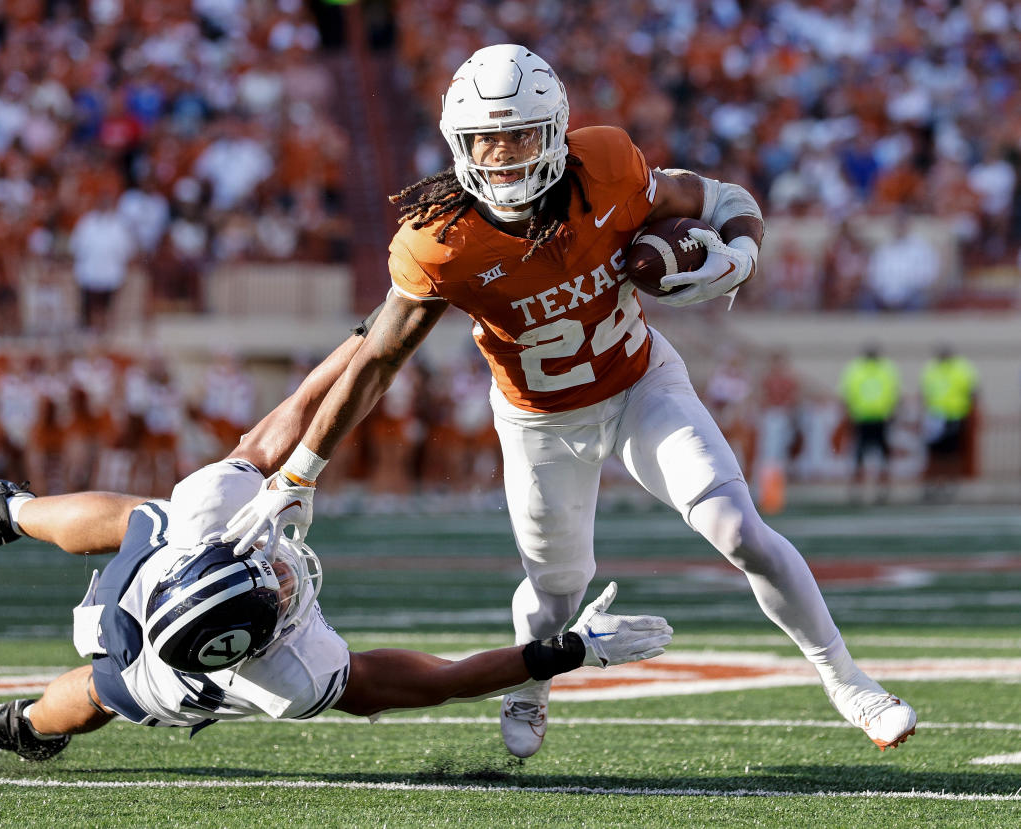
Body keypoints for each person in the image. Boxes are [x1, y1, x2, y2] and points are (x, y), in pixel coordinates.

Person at [223, 44, 917, 756]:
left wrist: (741, 253)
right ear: (457, 144)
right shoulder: (441, 240)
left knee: (739, 530)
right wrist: (302, 470)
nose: (503, 156)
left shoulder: (607, 164)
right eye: (484, 140)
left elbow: (724, 200)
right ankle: (532, 681)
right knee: (556, 592)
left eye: (520, 134)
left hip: (642, 382)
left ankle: (848, 679)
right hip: (539, 421)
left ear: (554, 130)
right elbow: (378, 359)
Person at [0, 328, 671, 762]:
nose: (282, 574)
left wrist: (365, 337)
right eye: (276, 590)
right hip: (167, 666)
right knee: (104, 690)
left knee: (148, 517)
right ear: (263, 636)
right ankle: (18, 723)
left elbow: (283, 421)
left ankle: (10, 511)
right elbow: (436, 680)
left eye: (263, 571)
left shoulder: (205, 526)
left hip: (164, 601)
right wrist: (570, 651)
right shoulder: (291, 674)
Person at [839, 342, 902, 503]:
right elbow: (847, 394)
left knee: (882, 457)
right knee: (859, 456)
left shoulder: (881, 370)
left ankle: (882, 489)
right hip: (862, 418)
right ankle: (857, 490)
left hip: (879, 418)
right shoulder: (859, 370)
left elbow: (894, 393)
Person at [919, 344, 978, 499]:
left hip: (955, 415)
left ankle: (951, 484)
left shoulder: (962, 369)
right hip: (935, 418)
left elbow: (972, 391)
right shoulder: (931, 370)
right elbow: (925, 393)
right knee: (935, 453)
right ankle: (933, 484)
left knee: (952, 453)